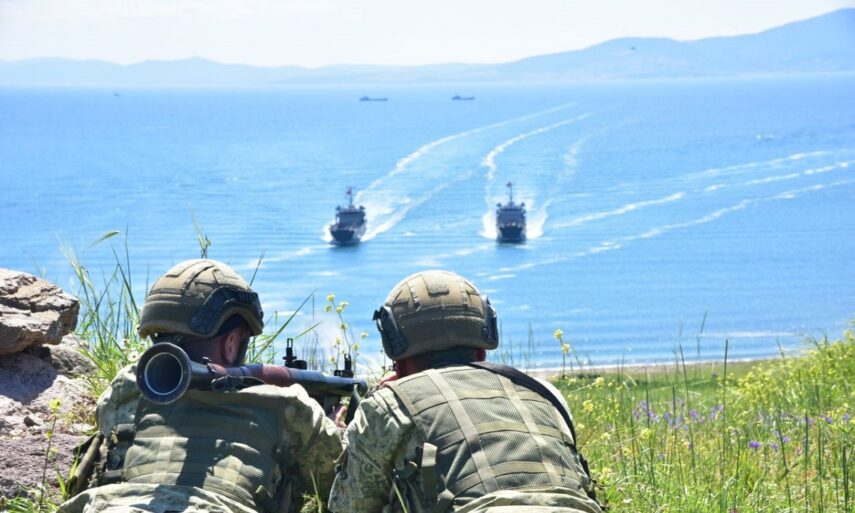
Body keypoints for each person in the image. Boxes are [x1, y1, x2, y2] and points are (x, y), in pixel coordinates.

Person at [59, 259, 343, 513]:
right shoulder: (286, 405)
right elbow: (333, 484)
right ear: (231, 344)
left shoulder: (127, 387)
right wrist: (333, 427)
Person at [329, 270, 604, 513]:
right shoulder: (545, 394)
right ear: (482, 349)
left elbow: (350, 506)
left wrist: (345, 435)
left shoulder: (387, 406)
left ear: (397, 360)